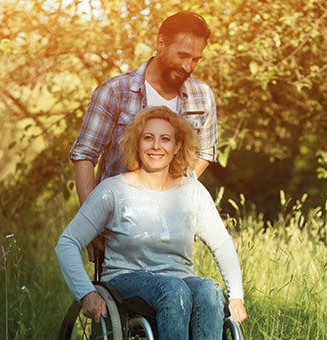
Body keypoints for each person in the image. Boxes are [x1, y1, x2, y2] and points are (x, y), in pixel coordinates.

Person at [56, 106, 247, 339]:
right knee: (172, 289)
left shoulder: (192, 192)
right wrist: (86, 293)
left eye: (165, 139)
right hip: (126, 281)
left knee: (210, 291)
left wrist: (236, 296)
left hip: (180, 282)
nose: (156, 146)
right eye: (148, 138)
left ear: (177, 146)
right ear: (137, 143)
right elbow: (67, 242)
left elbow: (222, 245)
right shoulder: (113, 190)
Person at [69, 11, 218, 262]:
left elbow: (205, 153)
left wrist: (171, 187)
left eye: (195, 59)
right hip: (118, 228)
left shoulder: (202, 95)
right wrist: (92, 221)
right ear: (160, 44)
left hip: (173, 230)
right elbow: (84, 156)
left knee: (176, 293)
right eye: (182, 55)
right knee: (121, 298)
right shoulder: (115, 91)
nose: (187, 66)